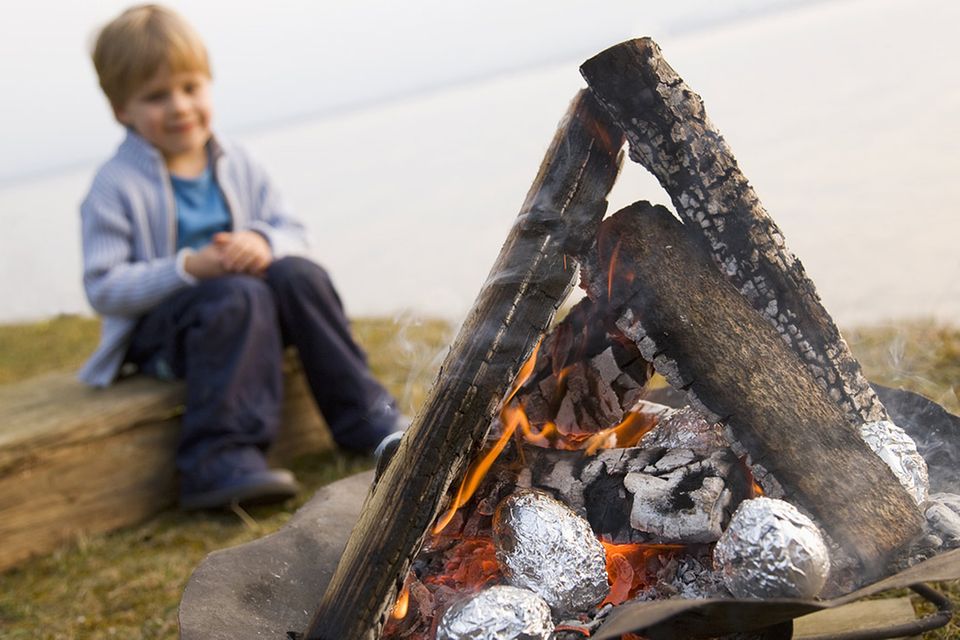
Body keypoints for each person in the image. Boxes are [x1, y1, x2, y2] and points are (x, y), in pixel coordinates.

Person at [80, 4, 404, 510]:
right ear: (122, 109)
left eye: (191, 88)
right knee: (237, 294)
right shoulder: (115, 185)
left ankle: (370, 420)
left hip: (247, 311)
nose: (180, 106)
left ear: (209, 85)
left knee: (298, 274)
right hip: (166, 336)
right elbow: (103, 287)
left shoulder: (237, 160)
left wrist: (263, 242)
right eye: (156, 96)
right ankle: (217, 461)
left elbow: (295, 230)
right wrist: (186, 267)